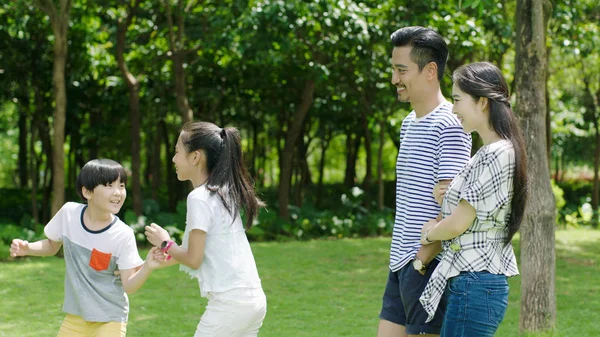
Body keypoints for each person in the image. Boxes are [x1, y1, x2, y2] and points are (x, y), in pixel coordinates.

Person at [419, 62, 528, 337]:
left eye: (457, 100)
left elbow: (459, 223)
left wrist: (429, 234)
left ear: (482, 102)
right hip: (472, 280)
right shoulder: (488, 153)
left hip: (476, 282)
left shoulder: (497, 153)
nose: (453, 109)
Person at [377, 26, 472, 337]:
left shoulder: (450, 124)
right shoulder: (409, 123)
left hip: (427, 266)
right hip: (401, 263)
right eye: (393, 69)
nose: (394, 79)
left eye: (401, 70)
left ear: (430, 70)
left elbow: (453, 205)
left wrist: (421, 261)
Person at [9, 158, 162, 337]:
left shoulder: (123, 234)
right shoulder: (68, 214)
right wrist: (28, 248)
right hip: (76, 317)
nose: (118, 192)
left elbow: (129, 285)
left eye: (121, 185)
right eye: (109, 185)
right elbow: (51, 246)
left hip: (110, 318)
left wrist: (147, 267)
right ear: (87, 191)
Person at [144, 121, 267, 337]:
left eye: (177, 152)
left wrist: (164, 242)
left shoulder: (199, 198)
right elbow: (192, 251)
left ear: (195, 157)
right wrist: (142, 266)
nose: (173, 159)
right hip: (253, 300)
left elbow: (193, 259)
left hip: (230, 304)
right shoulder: (223, 194)